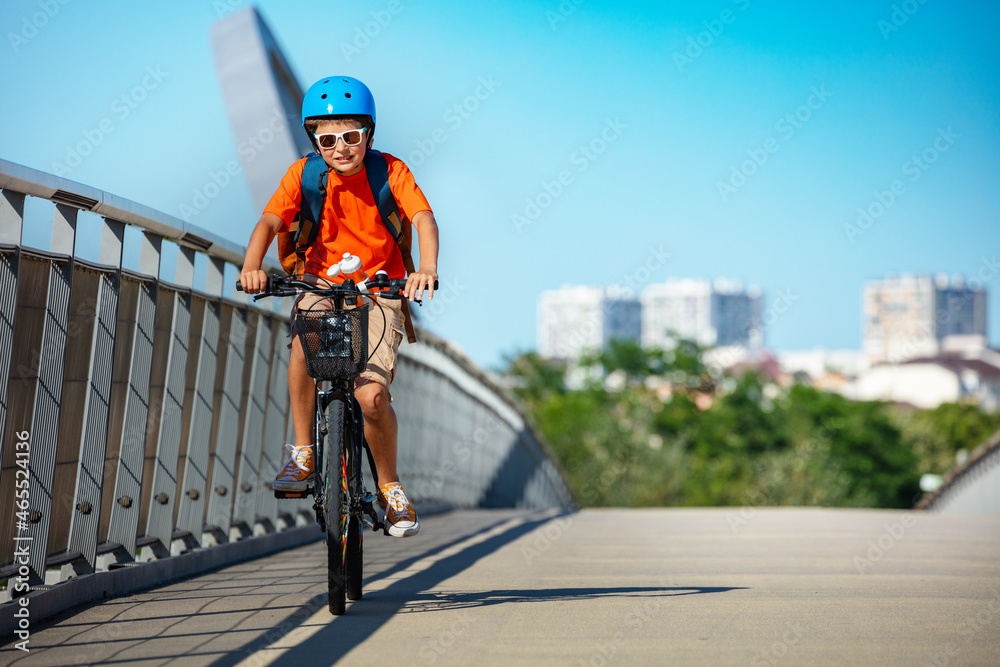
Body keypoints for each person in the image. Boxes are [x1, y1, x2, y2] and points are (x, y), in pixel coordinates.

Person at [239, 76, 439, 537]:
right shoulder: (304, 174)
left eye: (351, 136)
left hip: (380, 289)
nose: (341, 148)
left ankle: (390, 489)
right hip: (319, 282)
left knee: (372, 397)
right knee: (303, 348)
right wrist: (253, 265)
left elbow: (423, 218)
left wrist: (425, 268)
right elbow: (271, 220)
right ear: (315, 140)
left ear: (368, 134)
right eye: (327, 139)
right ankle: (303, 452)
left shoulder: (390, 172)